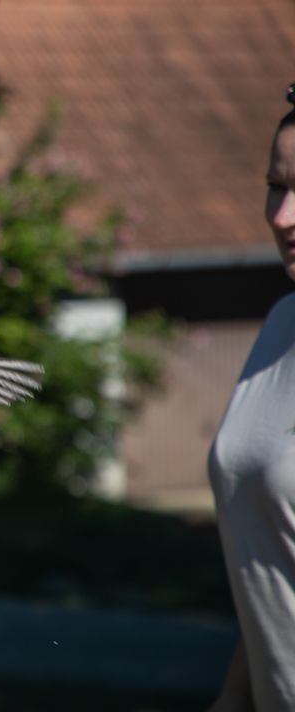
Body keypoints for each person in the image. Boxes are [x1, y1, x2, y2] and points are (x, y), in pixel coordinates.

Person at [208, 85, 295, 712]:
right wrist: (233, 698)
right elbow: (268, 558)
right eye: (276, 185)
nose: (282, 216)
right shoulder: (278, 327)